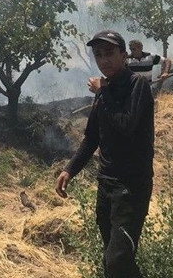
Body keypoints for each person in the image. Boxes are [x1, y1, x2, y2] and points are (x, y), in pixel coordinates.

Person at [55, 30, 154, 278]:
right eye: (98, 55)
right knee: (114, 260)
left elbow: (127, 125)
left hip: (131, 186)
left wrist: (102, 92)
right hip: (106, 185)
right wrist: (70, 169)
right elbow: (92, 138)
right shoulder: (105, 92)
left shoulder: (137, 85)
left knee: (117, 260)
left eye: (109, 53)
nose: (104, 60)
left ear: (124, 55)